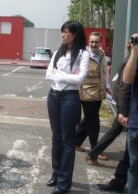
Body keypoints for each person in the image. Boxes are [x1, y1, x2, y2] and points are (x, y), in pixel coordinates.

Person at [45, 20, 89, 194]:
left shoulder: (82, 55)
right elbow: (48, 74)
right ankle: (56, 174)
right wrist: (67, 75)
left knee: (67, 142)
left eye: (66, 32)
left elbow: (79, 79)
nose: (63, 35)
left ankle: (63, 183)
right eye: (62, 31)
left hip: (70, 99)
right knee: (56, 138)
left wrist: (59, 75)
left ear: (75, 34)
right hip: (53, 97)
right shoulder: (57, 53)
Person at [86, 45, 131, 166]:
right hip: (127, 106)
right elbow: (124, 88)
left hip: (126, 105)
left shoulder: (130, 59)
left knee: (115, 130)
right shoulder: (131, 62)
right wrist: (123, 111)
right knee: (117, 131)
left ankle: (93, 153)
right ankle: (93, 153)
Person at [74, 32, 111, 155]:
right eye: (91, 42)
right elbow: (76, 72)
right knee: (94, 122)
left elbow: (104, 73)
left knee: (88, 120)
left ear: (100, 43)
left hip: (99, 93)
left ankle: (75, 142)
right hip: (87, 93)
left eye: (96, 42)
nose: (93, 44)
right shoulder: (83, 55)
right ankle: (95, 149)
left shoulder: (102, 54)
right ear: (88, 42)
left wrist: (107, 87)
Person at [123, 33, 138, 194]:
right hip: (136, 123)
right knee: (134, 167)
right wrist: (134, 51)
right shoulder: (135, 58)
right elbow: (127, 79)